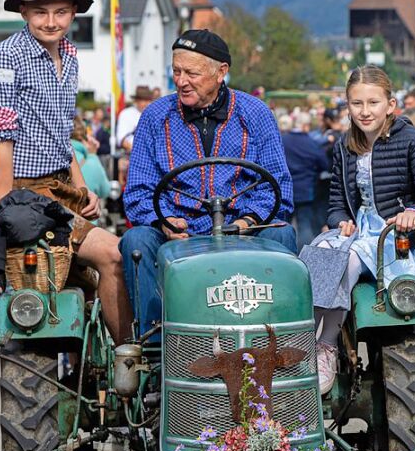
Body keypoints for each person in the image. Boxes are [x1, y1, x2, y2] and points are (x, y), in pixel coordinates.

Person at [0, 0, 131, 344]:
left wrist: (83, 189)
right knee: (113, 253)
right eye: (41, 12)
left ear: (73, 14)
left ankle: (95, 363)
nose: (51, 21)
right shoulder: (5, 60)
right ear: (25, 13)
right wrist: (2, 208)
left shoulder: (70, 56)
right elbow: (0, 140)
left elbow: (61, 133)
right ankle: (131, 357)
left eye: (59, 12)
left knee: (88, 279)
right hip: (24, 190)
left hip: (61, 186)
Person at [121, 29, 296, 334]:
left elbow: (276, 185)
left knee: (283, 236)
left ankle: (279, 333)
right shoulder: (155, 117)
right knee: (136, 241)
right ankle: (153, 340)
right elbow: (138, 189)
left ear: (221, 73)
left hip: (243, 230)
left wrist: (248, 221)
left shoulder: (254, 114)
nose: (181, 80)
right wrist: (164, 221)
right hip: (179, 233)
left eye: (192, 73)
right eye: (176, 71)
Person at [307, 66, 415, 391]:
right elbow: (337, 202)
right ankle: (301, 341)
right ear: (348, 106)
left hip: (391, 238)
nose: (365, 111)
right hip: (358, 229)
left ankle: (324, 345)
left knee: (350, 257)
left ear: (391, 104)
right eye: (357, 104)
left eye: (373, 103)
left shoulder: (411, 140)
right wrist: (340, 219)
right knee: (320, 252)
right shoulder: (345, 145)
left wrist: (414, 212)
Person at [280, 111, 330, 249]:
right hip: (306, 190)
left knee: (282, 226)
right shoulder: (311, 143)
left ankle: (283, 254)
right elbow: (324, 164)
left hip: (284, 190)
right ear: (306, 126)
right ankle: (303, 258)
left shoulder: (282, 140)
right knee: (305, 226)